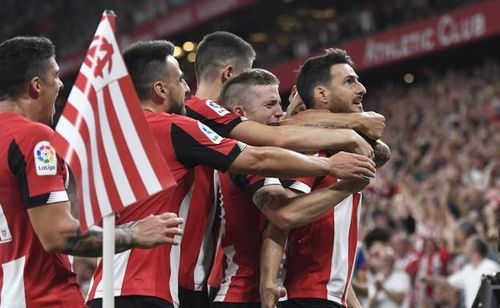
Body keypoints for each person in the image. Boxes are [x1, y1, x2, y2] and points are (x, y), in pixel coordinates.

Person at [86, 40, 376, 308]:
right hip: (157, 288)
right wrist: (336, 155)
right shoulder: (181, 123)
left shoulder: (114, 135)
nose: (187, 90)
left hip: (111, 286)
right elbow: (263, 152)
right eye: (180, 80)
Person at [181, 31, 381, 308]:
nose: (280, 112)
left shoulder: (235, 145)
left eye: (281, 103)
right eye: (271, 104)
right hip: (242, 294)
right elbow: (283, 215)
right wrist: (345, 155)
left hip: (238, 289)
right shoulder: (248, 153)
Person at [0, 36, 184, 307]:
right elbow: (58, 234)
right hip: (45, 298)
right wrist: (134, 235)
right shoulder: (32, 137)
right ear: (36, 86)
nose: (61, 84)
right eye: (56, 75)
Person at [260, 48, 390, 308]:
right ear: (321, 94)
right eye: (349, 81)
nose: (362, 88)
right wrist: (268, 285)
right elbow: (280, 220)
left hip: (328, 298)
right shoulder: (314, 150)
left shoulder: (344, 147)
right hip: (306, 297)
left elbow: (333, 258)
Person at [421, 236, 500, 308]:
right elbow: (447, 282)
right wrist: (429, 279)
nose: (464, 250)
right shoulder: (467, 270)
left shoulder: (491, 267)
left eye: (466, 246)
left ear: (474, 249)